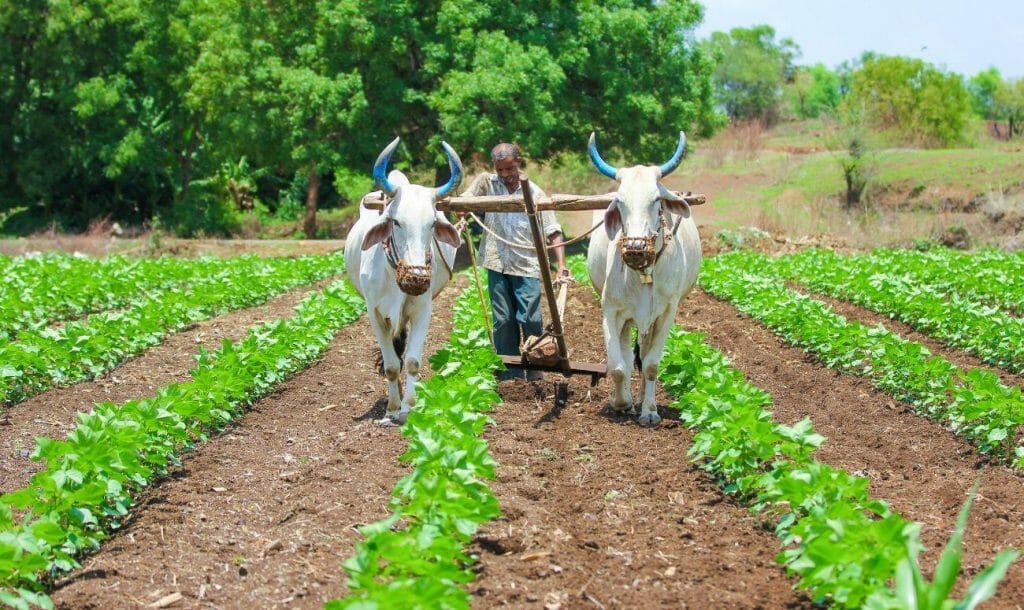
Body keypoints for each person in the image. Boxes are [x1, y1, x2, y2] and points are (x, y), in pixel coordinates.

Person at [461, 143, 569, 381]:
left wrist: (561, 265)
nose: (504, 175)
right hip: (496, 262)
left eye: (509, 168)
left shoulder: (535, 193)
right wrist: (461, 209)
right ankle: (509, 376)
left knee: (531, 318)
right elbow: (464, 201)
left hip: (526, 264)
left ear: (518, 162)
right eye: (500, 170)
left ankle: (535, 369)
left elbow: (553, 231)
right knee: (503, 320)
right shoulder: (486, 183)